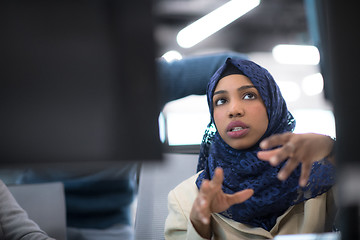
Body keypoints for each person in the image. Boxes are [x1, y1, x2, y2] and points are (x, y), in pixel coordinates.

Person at [14, 52, 248, 240]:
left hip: (110, 222)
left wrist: (231, 134)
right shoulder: (35, 76)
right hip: (31, 211)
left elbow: (233, 65)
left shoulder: (142, 77)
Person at [165, 58, 336, 239]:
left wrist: (336, 151)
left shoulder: (319, 175)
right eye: (221, 100)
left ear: (272, 105)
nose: (234, 110)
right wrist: (199, 224)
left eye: (249, 96)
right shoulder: (186, 198)